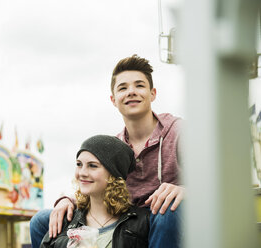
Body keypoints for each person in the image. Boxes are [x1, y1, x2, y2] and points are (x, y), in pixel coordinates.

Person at [30, 55, 183, 248]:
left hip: (170, 216)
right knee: (42, 220)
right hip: (131, 219)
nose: (131, 92)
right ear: (113, 100)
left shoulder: (179, 132)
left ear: (152, 93)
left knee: (167, 212)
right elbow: (96, 184)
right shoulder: (113, 146)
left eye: (139, 85)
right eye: (123, 88)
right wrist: (66, 200)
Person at [40, 135, 149, 248]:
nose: (82, 173)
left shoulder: (142, 222)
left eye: (92, 166)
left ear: (114, 174)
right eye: (79, 164)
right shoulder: (64, 220)